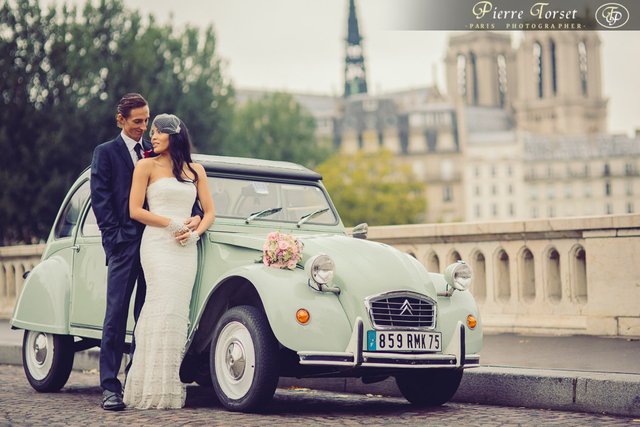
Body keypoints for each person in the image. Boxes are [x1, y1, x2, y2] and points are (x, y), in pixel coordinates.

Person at [91, 94, 203, 411]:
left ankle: (135, 379)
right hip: (127, 247)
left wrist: (194, 217)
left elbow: (183, 192)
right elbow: (101, 202)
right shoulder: (106, 153)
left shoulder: (159, 154)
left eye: (147, 120)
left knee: (147, 315)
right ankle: (109, 386)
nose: (143, 127)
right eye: (137, 121)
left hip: (161, 247)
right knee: (115, 315)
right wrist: (116, 241)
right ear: (121, 120)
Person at [123, 113, 215, 409]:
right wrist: (171, 224)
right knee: (158, 307)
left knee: (177, 311)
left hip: (186, 248)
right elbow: (135, 210)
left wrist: (195, 231)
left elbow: (210, 212)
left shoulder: (195, 169)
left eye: (158, 131)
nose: (153, 135)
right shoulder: (145, 166)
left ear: (173, 135)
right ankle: (146, 387)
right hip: (158, 245)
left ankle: (168, 386)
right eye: (151, 131)